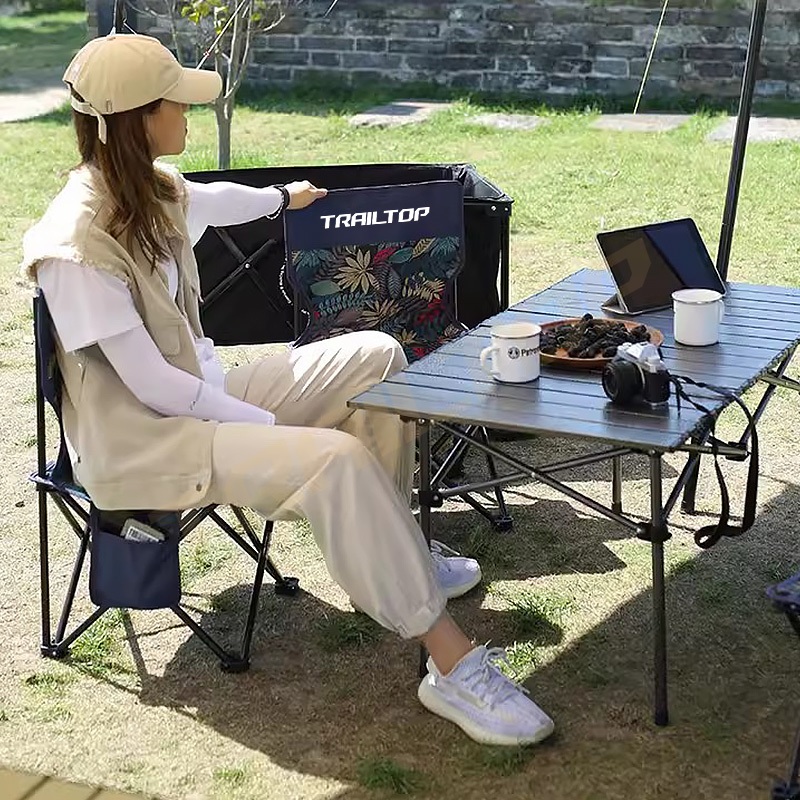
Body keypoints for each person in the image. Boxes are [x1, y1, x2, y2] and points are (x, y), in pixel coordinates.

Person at [20, 33, 555, 747]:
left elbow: (214, 199)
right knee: (335, 458)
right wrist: (265, 425)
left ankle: (395, 551)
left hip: (201, 398)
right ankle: (451, 666)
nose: (188, 112)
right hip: (144, 444)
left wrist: (284, 197)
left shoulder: (149, 187)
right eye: (177, 102)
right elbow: (153, 386)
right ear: (138, 118)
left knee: (377, 355)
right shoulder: (75, 246)